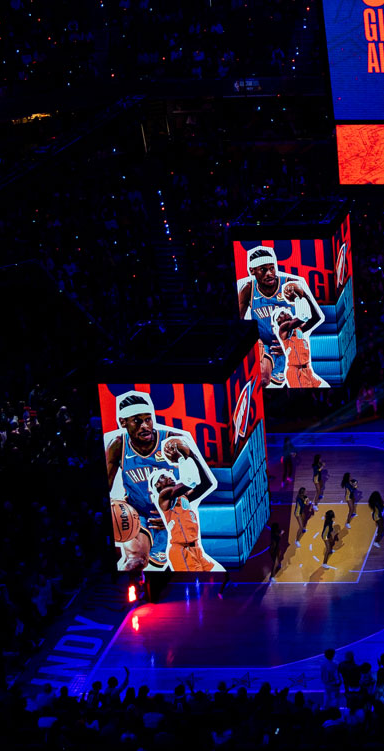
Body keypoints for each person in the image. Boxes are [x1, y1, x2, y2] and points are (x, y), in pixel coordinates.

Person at [104, 391, 216, 572]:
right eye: (137, 421)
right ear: (123, 422)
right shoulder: (119, 445)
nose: (145, 426)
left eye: (148, 419)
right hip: (138, 517)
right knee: (135, 561)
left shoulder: (172, 440)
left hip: (172, 520)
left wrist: (171, 517)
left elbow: (201, 483)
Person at [237, 244, 321, 388]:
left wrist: (288, 346)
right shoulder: (248, 289)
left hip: (290, 348)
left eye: (272, 268)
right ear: (252, 271)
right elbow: (238, 324)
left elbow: (312, 319)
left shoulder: (290, 284)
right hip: (265, 346)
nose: (269, 273)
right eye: (263, 270)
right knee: (263, 379)